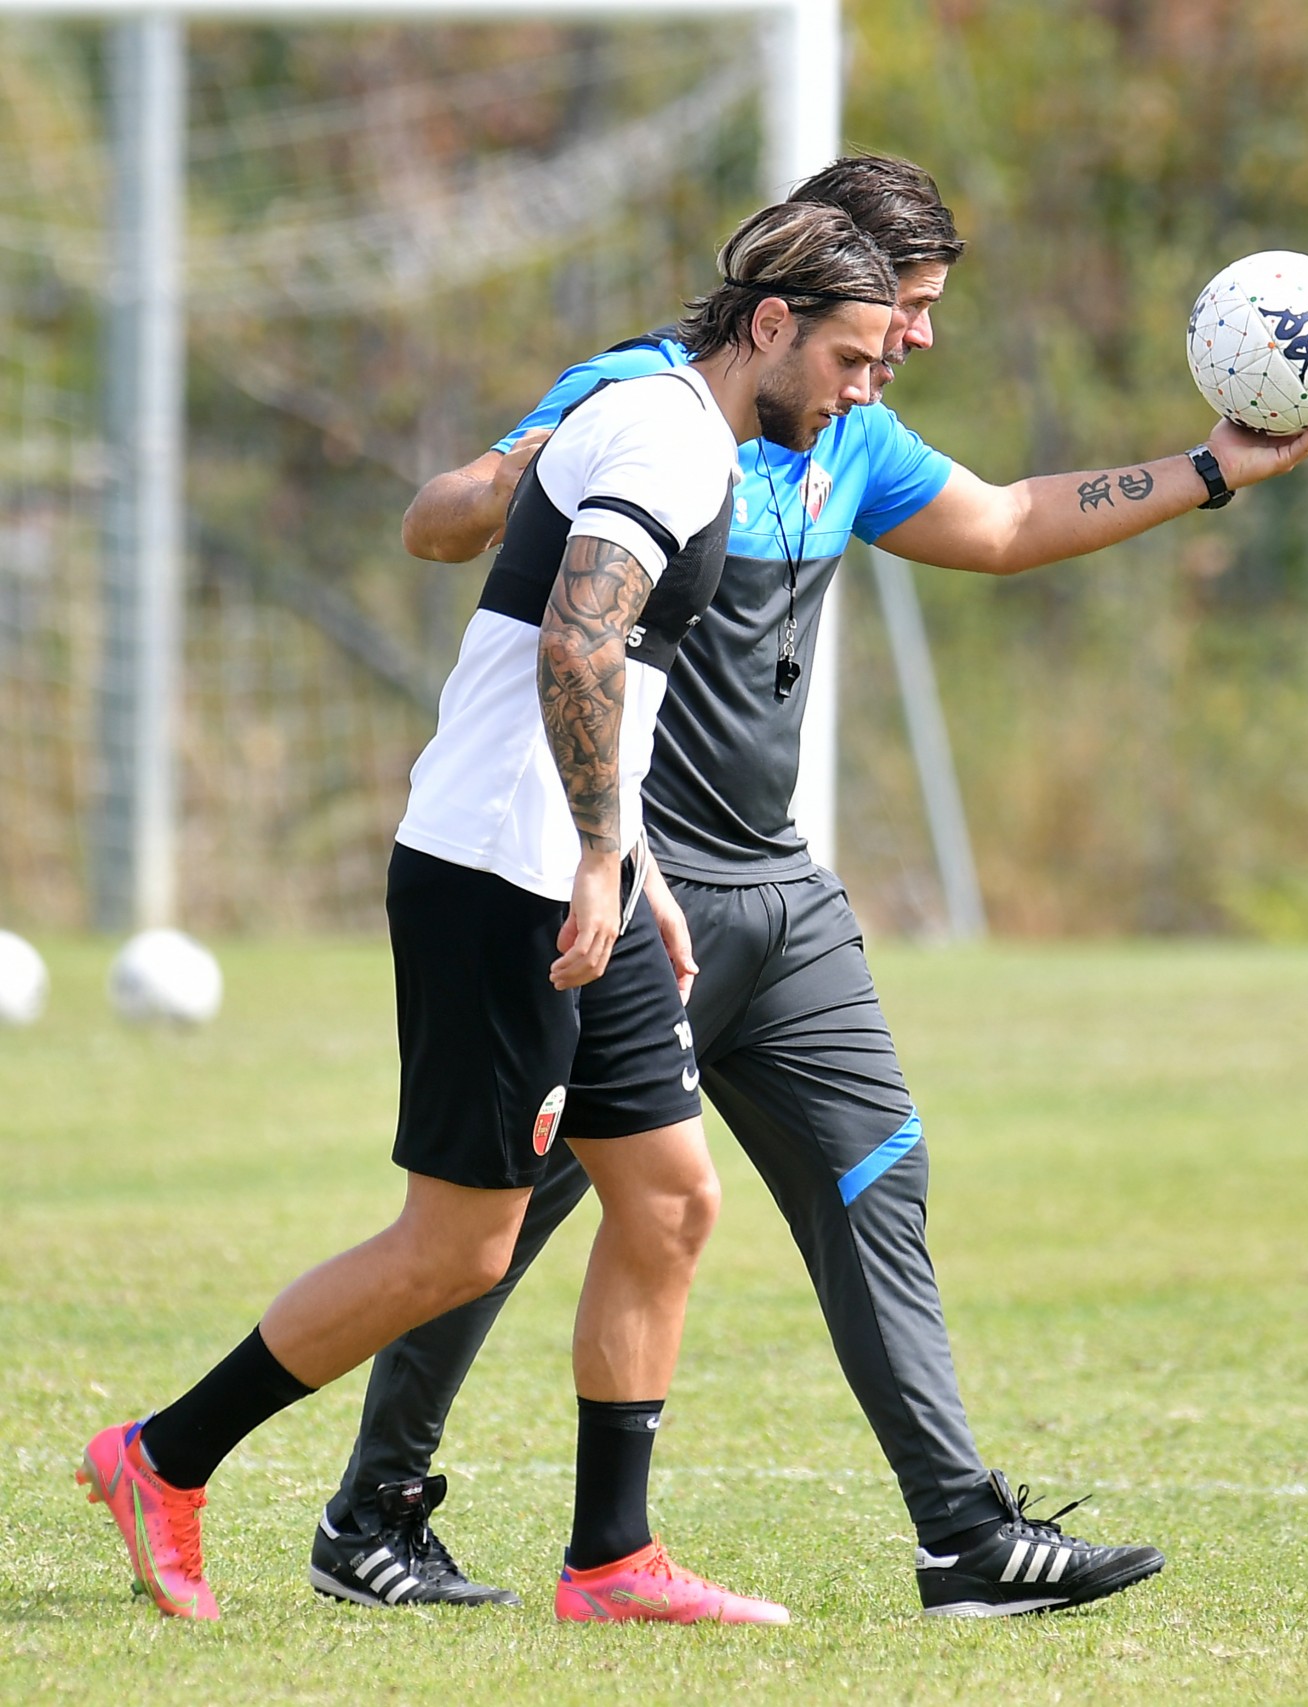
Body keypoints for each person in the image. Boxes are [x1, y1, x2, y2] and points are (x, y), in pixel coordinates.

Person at [309, 154, 1308, 1619]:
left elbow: (997, 526)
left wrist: (1208, 472)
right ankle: (375, 1509)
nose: (916, 341)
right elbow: (442, 525)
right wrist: (504, 476)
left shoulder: (847, 429)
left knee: (876, 1173)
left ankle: (962, 1535)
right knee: (505, 1209)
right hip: (634, 898)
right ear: (800, 298)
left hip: (781, 898)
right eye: (905, 309)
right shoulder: (649, 398)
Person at [79, 201, 901, 1625]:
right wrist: (597, 857)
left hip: (582, 869)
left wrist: (632, 868)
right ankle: (162, 1454)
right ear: (769, 324)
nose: (864, 389)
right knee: (455, 1245)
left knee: (668, 1197)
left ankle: (613, 1557)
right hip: (502, 878)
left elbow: (612, 674)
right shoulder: (665, 435)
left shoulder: (683, 427)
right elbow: (581, 636)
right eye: (853, 356)